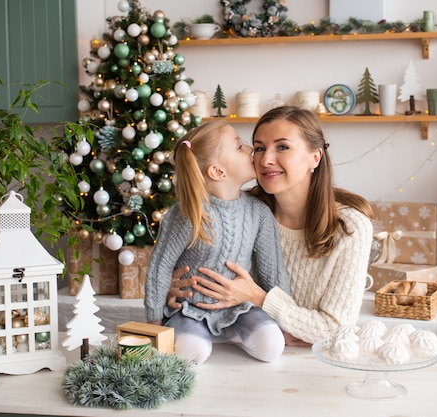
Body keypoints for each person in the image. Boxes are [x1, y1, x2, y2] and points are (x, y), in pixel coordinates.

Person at [167, 106, 374, 347]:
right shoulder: (242, 213)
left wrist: (258, 297)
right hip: (235, 353)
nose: (265, 160)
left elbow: (337, 330)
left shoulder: (350, 227)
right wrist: (174, 288)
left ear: (314, 157)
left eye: (283, 147)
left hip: (314, 365)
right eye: (259, 148)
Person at [144, 121, 290, 364]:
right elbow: (160, 266)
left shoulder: (258, 213)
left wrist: (284, 319)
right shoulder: (188, 214)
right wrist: (153, 323)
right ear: (218, 172)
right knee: (192, 353)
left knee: (272, 347)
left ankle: (234, 334)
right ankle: (199, 335)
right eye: (239, 146)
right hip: (190, 309)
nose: (249, 149)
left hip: (239, 309)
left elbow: (272, 270)